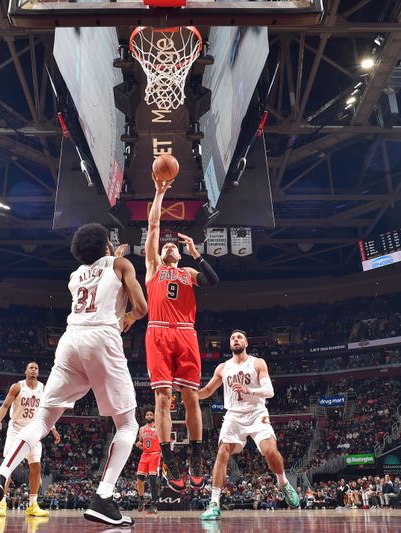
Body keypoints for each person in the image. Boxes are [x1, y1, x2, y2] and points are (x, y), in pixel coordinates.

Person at [0, 223, 147, 528]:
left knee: (41, 421)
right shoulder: (121, 264)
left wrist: (111, 259)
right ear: (107, 245)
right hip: (102, 338)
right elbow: (141, 307)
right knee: (127, 423)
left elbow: (98, 273)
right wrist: (127, 315)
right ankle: (103, 497)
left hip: (70, 341)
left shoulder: (75, 275)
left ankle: (0, 475)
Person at [144, 178, 219, 491]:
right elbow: (153, 226)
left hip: (186, 333)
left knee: (191, 397)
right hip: (158, 332)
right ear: (160, 255)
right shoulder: (153, 268)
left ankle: (197, 455)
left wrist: (196, 252)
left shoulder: (188, 273)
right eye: (165, 246)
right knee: (163, 398)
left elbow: (213, 282)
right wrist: (160, 193)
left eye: (172, 245)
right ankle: (170, 460)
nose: (168, 246)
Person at [196, 330, 299, 520]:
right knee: (222, 452)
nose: (236, 339)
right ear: (230, 344)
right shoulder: (222, 367)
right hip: (233, 415)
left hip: (257, 413)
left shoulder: (257, 362)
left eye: (239, 337)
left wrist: (248, 389)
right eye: (233, 338)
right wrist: (190, 394)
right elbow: (208, 390)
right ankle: (214, 503)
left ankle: (283, 482)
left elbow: (269, 391)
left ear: (246, 343)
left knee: (270, 450)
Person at [0, 361, 62, 518]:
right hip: (16, 429)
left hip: (33, 430)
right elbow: (4, 406)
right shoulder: (17, 387)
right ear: (26, 371)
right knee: (8, 466)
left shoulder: (43, 389)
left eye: (36, 368)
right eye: (31, 368)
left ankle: (32, 505)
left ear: (38, 372)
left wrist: (53, 428)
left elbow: (47, 411)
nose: (33, 370)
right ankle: (1, 502)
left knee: (36, 467)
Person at [135, 409, 161, 513]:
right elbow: (141, 442)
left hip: (155, 455)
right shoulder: (141, 429)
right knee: (139, 479)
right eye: (147, 414)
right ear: (145, 416)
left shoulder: (158, 427)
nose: (149, 416)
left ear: (154, 416)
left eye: (151, 414)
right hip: (145, 455)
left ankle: (154, 504)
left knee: (152, 480)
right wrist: (139, 444)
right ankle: (142, 499)